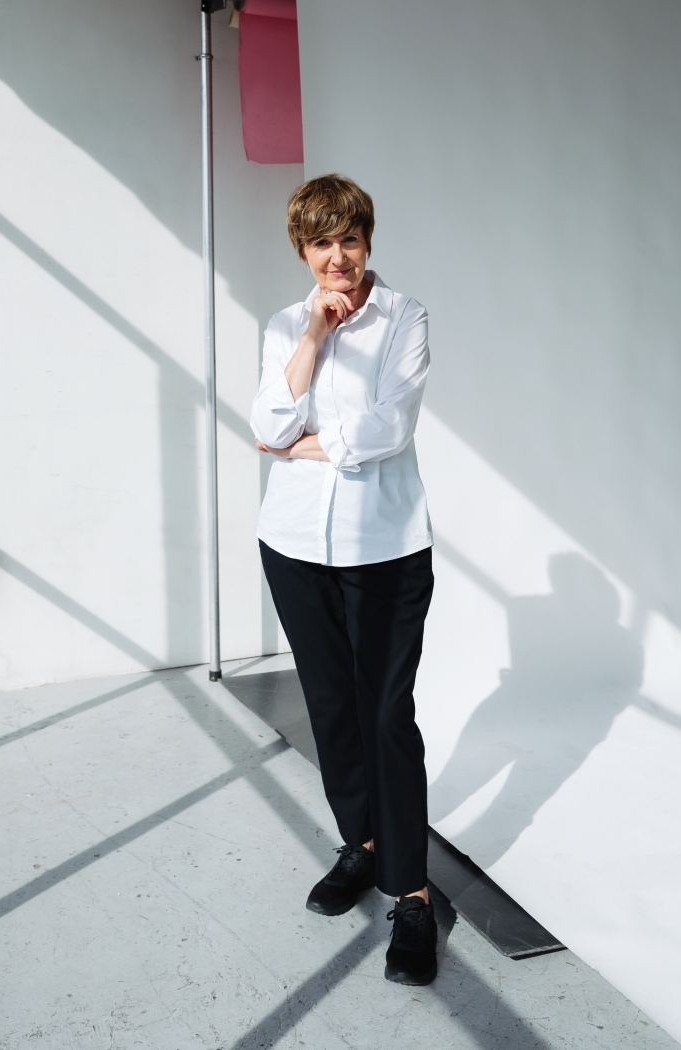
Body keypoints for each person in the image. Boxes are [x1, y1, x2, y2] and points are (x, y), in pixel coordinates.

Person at [250, 174, 436, 986]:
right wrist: (314, 340)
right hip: (292, 545)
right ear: (303, 250)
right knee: (329, 705)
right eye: (322, 243)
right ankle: (360, 846)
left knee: (385, 714)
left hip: (384, 548)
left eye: (349, 240)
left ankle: (413, 894)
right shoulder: (283, 326)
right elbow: (265, 422)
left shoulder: (405, 319)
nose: (338, 257)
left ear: (367, 241)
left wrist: (300, 443)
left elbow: (387, 427)